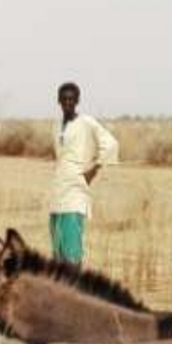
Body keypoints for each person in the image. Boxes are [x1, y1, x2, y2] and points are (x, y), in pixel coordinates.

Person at [47, 81, 118, 262]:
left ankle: (76, 286)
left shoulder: (86, 122)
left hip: (76, 189)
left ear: (77, 100)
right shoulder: (56, 125)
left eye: (71, 99)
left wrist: (93, 170)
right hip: (58, 190)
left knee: (72, 251)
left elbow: (110, 144)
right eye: (64, 99)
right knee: (58, 250)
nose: (67, 102)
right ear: (58, 101)